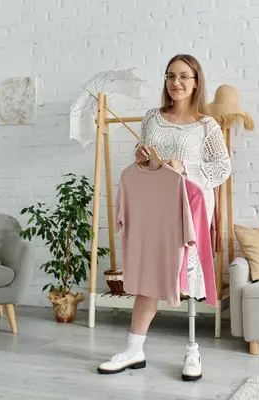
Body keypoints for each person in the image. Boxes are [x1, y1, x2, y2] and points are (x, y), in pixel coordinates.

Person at [97, 54, 231, 377]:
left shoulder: (206, 126)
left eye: (184, 76)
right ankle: (133, 349)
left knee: (185, 276)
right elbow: (147, 163)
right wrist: (142, 157)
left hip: (190, 208)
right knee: (149, 276)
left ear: (196, 81)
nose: (176, 83)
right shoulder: (151, 119)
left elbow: (223, 167)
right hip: (155, 209)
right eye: (171, 76)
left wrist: (187, 168)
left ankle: (193, 351)